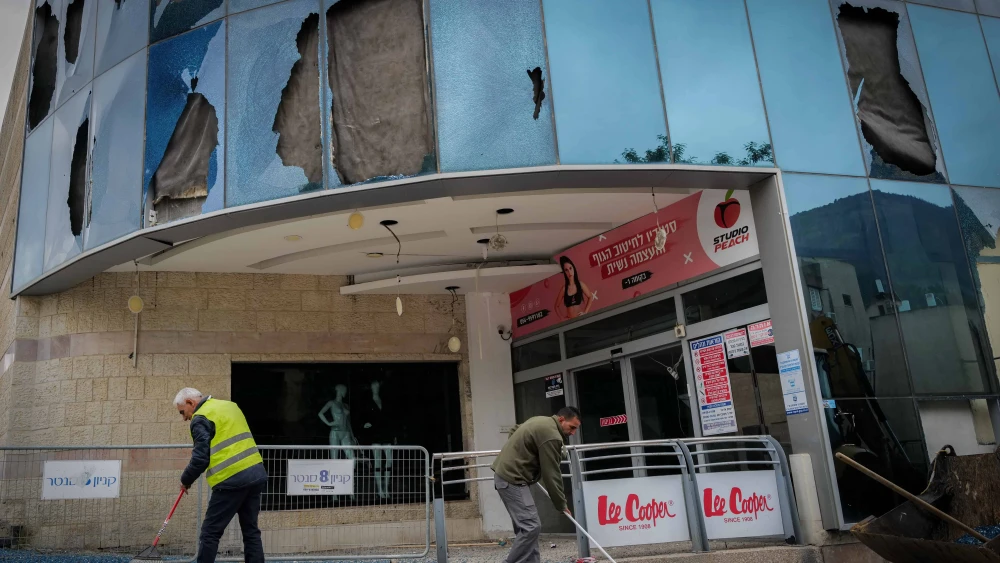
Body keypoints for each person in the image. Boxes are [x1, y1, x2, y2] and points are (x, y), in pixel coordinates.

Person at [175, 388, 267, 563]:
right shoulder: (230, 406)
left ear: (190, 403)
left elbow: (200, 459)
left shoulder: (200, 418)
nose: (184, 418)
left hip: (230, 480)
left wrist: (185, 480)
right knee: (251, 532)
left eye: (182, 412)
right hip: (255, 474)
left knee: (210, 533)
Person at [491, 406, 582, 563]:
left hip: (508, 477)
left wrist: (520, 452)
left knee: (526, 529)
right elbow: (551, 474)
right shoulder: (552, 436)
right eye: (572, 427)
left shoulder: (540, 420)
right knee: (531, 527)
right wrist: (561, 504)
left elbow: (515, 429)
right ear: (561, 419)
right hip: (512, 480)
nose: (573, 433)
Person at [318, 383, 357, 460]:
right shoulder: (332, 403)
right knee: (334, 457)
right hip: (335, 432)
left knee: (352, 458)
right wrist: (328, 423)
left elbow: (348, 422)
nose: (345, 392)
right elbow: (320, 413)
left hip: (345, 432)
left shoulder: (346, 405)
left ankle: (349, 468)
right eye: (344, 390)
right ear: (339, 390)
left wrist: (352, 437)